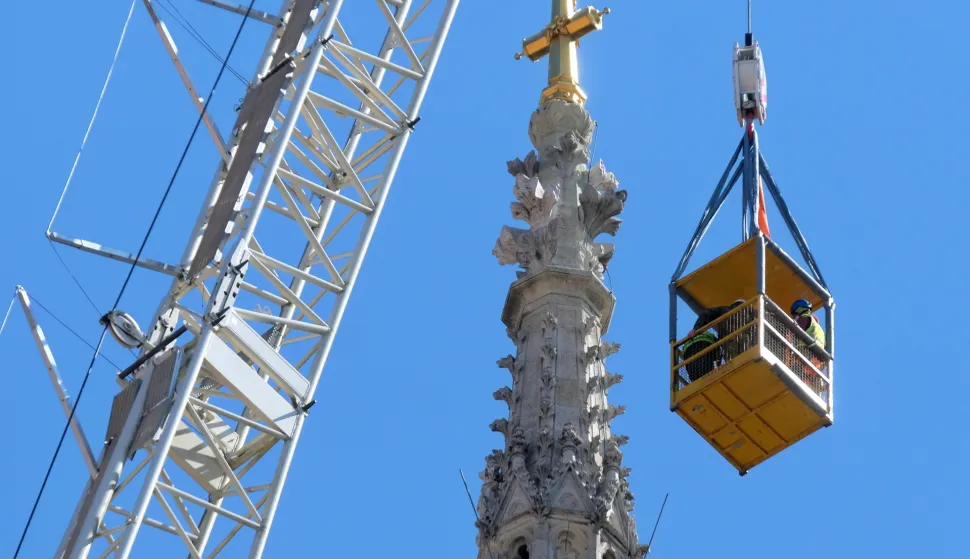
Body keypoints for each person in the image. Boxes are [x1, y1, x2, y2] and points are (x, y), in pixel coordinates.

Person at [681, 299, 746, 382]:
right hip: (745, 345)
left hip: (729, 342)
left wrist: (696, 329)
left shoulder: (725, 309)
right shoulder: (750, 315)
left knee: (733, 364)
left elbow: (706, 314)